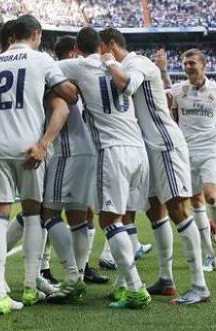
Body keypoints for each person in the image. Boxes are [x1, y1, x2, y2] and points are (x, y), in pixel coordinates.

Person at [99, 28, 210, 306]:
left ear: (110, 45)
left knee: (178, 210)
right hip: (147, 148)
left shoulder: (137, 63)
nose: (99, 54)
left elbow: (128, 86)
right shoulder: (126, 64)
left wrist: (109, 62)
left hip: (165, 144)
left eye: (101, 48)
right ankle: (166, 279)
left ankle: (199, 284)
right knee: (155, 212)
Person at [0, 14, 77, 315]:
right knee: (34, 215)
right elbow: (70, 95)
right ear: (35, 34)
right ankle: (31, 286)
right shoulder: (41, 60)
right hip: (29, 146)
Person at [55, 27, 151, 309]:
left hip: (112, 152)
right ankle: (122, 285)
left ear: (78, 49)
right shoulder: (118, 66)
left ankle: (135, 287)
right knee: (122, 219)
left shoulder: (79, 64)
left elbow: (48, 68)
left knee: (109, 221)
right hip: (138, 150)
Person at [45, 35, 108, 286]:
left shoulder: (75, 78)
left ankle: (78, 272)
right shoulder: (58, 77)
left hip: (74, 150)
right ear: (73, 53)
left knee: (68, 213)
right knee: (50, 212)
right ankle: (47, 267)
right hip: (65, 150)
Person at [170, 49, 216, 272]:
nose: (188, 67)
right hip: (185, 152)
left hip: (209, 149)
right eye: (185, 63)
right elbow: (170, 112)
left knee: (211, 195)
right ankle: (208, 253)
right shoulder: (178, 90)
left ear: (203, 65)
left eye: (192, 63)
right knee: (195, 202)